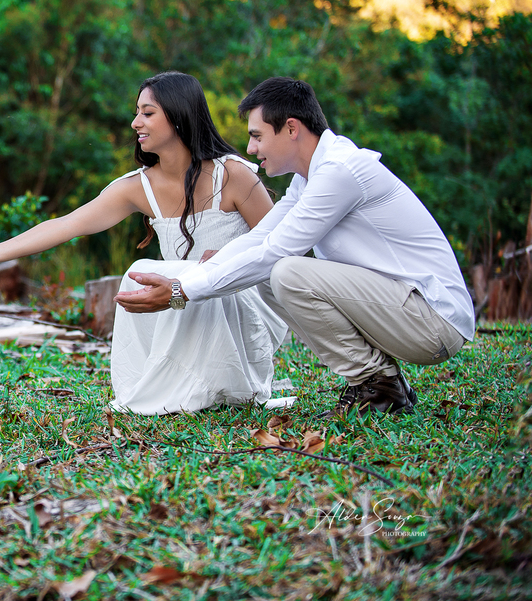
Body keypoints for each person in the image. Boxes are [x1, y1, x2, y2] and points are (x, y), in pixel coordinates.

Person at [0, 71, 291, 414]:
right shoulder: (139, 186)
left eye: (147, 113)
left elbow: (281, 250)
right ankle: (159, 387)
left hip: (246, 309)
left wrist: (227, 259)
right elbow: (68, 224)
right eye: (136, 113)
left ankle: (219, 384)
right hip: (184, 301)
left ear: (179, 117)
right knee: (143, 274)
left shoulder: (233, 176)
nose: (136, 123)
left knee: (171, 273)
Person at [115, 77, 475, 418]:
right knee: (273, 274)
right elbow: (260, 239)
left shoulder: (339, 172)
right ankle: (381, 384)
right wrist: (207, 268)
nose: (251, 149)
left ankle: (377, 384)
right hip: (403, 311)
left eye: (257, 136)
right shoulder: (310, 179)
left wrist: (180, 291)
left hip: (433, 323)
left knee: (285, 271)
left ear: (291, 128)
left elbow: (275, 253)